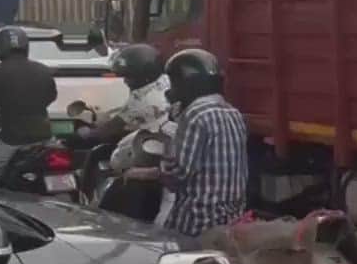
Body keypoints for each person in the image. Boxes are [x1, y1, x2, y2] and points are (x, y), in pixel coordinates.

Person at [125, 49, 247, 238]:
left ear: (187, 83)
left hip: (198, 220)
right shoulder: (233, 112)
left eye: (175, 83)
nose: (172, 89)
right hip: (231, 218)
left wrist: (144, 173)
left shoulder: (195, 115)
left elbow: (178, 174)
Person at [0, 27, 58, 190]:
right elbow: (51, 96)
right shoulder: (42, 69)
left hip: (12, 139)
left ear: (0, 48)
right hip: (45, 137)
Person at [77, 43, 169, 144]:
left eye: (129, 78)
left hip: (152, 147)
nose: (125, 82)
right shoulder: (164, 82)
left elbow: (108, 130)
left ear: (142, 75)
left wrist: (84, 133)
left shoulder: (144, 101)